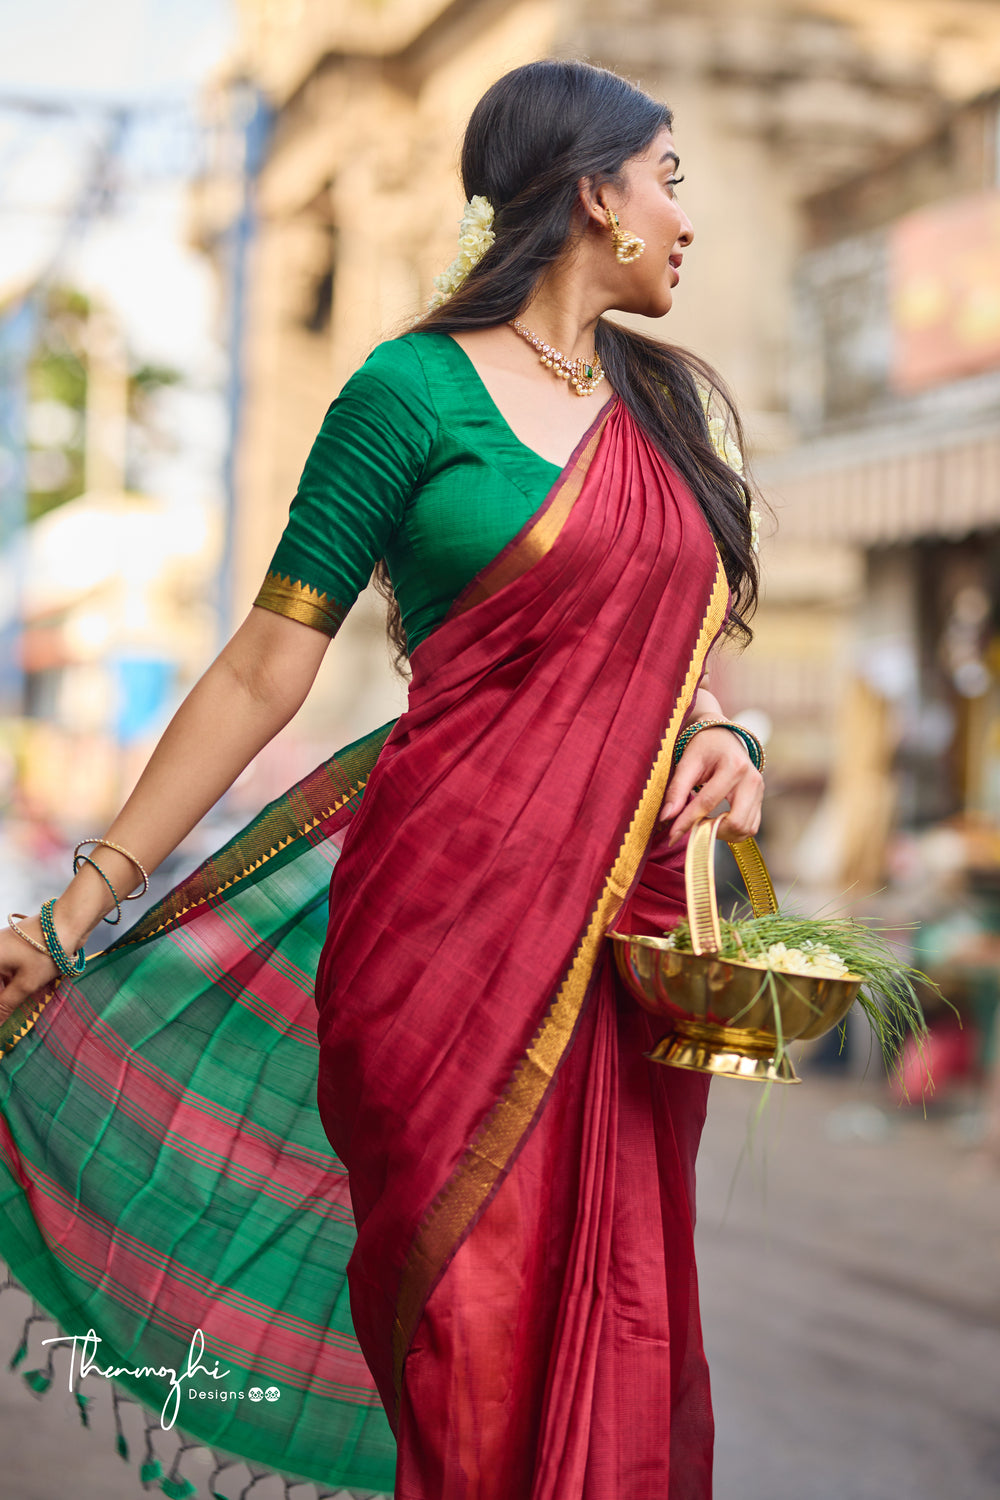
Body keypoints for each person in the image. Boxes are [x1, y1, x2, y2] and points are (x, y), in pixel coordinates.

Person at [0, 59, 763, 1500]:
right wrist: (80, 905)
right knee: (469, 1340)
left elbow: (680, 651)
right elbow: (260, 669)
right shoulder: (407, 392)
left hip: (621, 953)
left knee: (622, 1324)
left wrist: (731, 735)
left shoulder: (664, 407)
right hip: (439, 937)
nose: (683, 216)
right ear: (595, 196)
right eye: (669, 179)